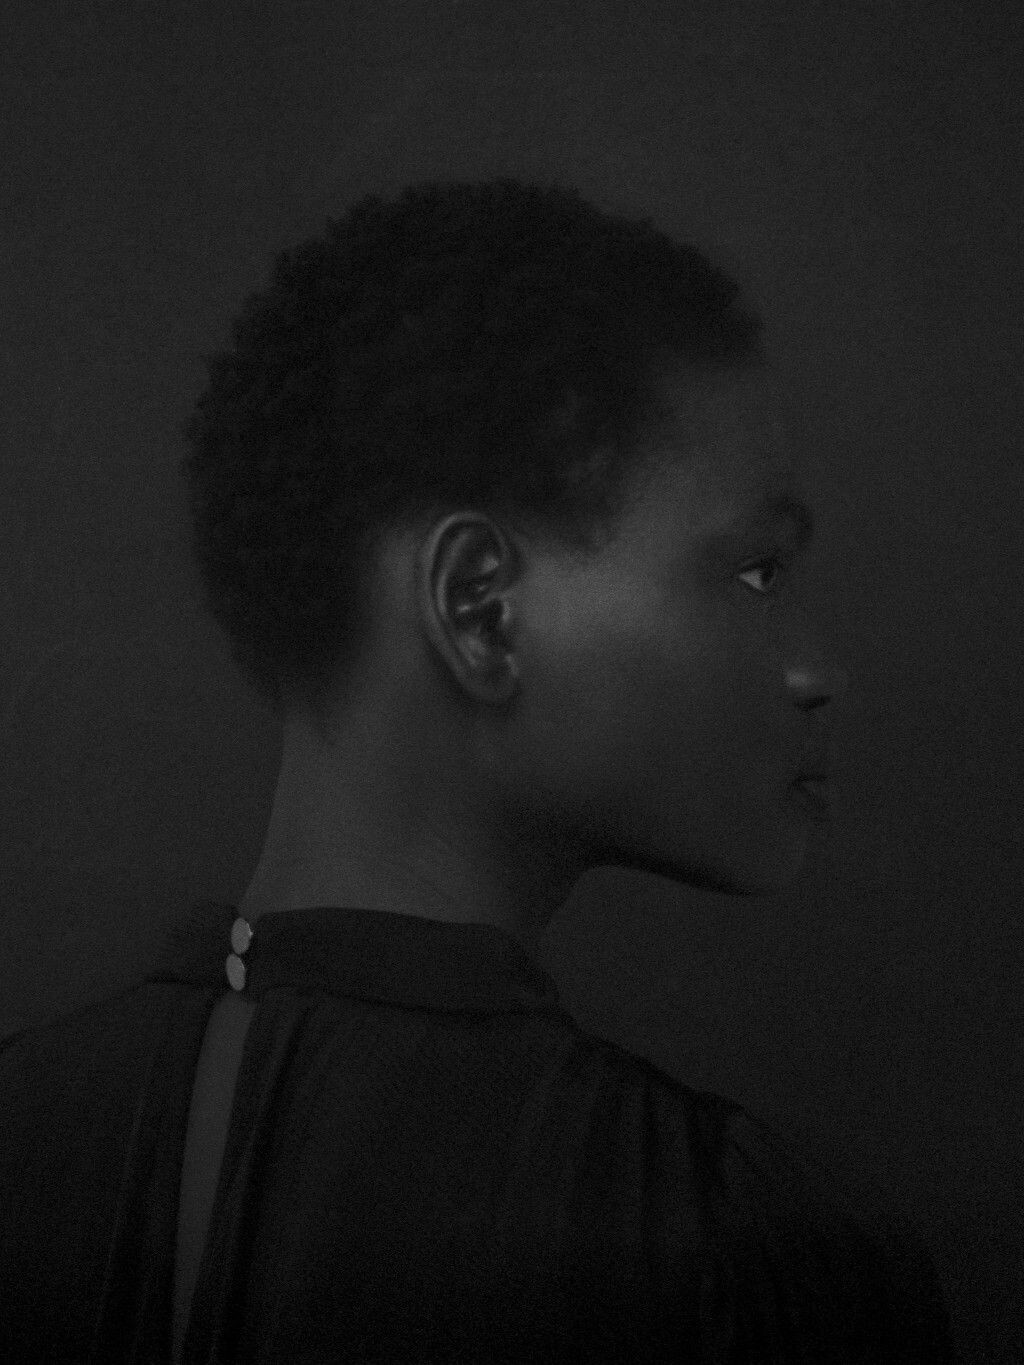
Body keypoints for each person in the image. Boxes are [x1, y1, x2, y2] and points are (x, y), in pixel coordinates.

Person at [0, 178, 957, 1362]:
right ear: (480, 608)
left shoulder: (26, 1127)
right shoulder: (730, 1252)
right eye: (755, 571)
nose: (819, 669)